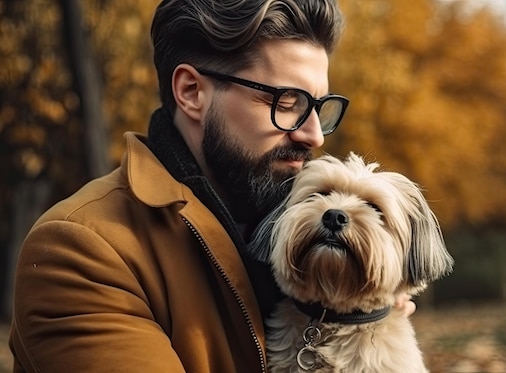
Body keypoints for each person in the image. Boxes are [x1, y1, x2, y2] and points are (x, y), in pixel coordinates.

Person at [9, 1, 413, 372]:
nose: (314, 136)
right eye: (288, 102)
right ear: (191, 92)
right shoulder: (82, 249)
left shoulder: (282, 220)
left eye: (318, 107)